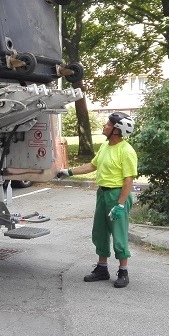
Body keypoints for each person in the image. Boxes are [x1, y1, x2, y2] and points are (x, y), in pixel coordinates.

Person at [57, 112, 138, 288]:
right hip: (102, 194)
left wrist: (121, 204)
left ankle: (123, 272)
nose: (104, 126)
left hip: (117, 195)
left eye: (108, 124)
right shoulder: (105, 146)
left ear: (116, 130)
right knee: (100, 232)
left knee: (119, 234)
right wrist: (69, 172)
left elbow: (129, 180)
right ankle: (102, 268)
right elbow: (92, 165)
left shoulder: (126, 151)